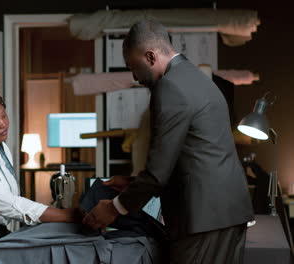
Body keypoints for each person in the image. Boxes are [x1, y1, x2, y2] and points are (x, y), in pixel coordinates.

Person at [83, 20, 254, 263]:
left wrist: (113, 208)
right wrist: (132, 183)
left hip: (202, 219)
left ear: (151, 57)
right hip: (228, 212)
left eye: (134, 66)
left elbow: (158, 173)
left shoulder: (170, 87)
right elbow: (190, 156)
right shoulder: (196, 77)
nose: (134, 76)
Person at [0, 87, 80, 263]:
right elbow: (8, 204)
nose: (3, 124)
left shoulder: (1, 147)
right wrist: (67, 215)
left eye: (4, 116)